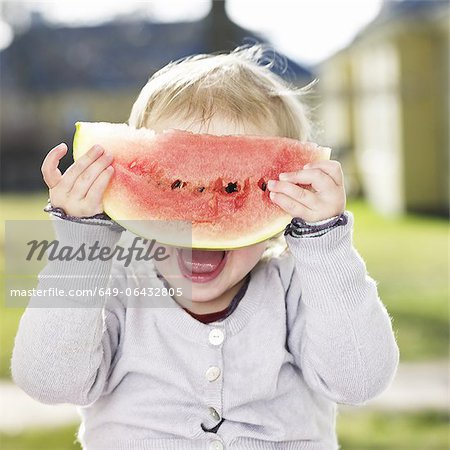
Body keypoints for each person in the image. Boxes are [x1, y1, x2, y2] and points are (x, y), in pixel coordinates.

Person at [11, 45, 399, 450]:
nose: (198, 217)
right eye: (174, 183)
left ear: (288, 198)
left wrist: (325, 243)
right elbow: (50, 382)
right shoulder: (117, 288)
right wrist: (84, 238)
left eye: (232, 186)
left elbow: (359, 381)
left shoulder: (296, 288)